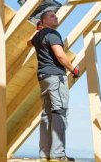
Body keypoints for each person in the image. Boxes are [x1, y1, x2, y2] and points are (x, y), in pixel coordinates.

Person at [28, 11, 80, 161]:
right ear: (43, 21)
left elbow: (27, 43)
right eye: (51, 16)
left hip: (43, 77)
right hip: (55, 77)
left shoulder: (38, 36)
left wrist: (37, 29)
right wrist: (73, 70)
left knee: (47, 114)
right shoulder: (52, 34)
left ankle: (44, 155)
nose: (56, 17)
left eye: (56, 15)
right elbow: (60, 55)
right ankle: (58, 155)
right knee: (59, 113)